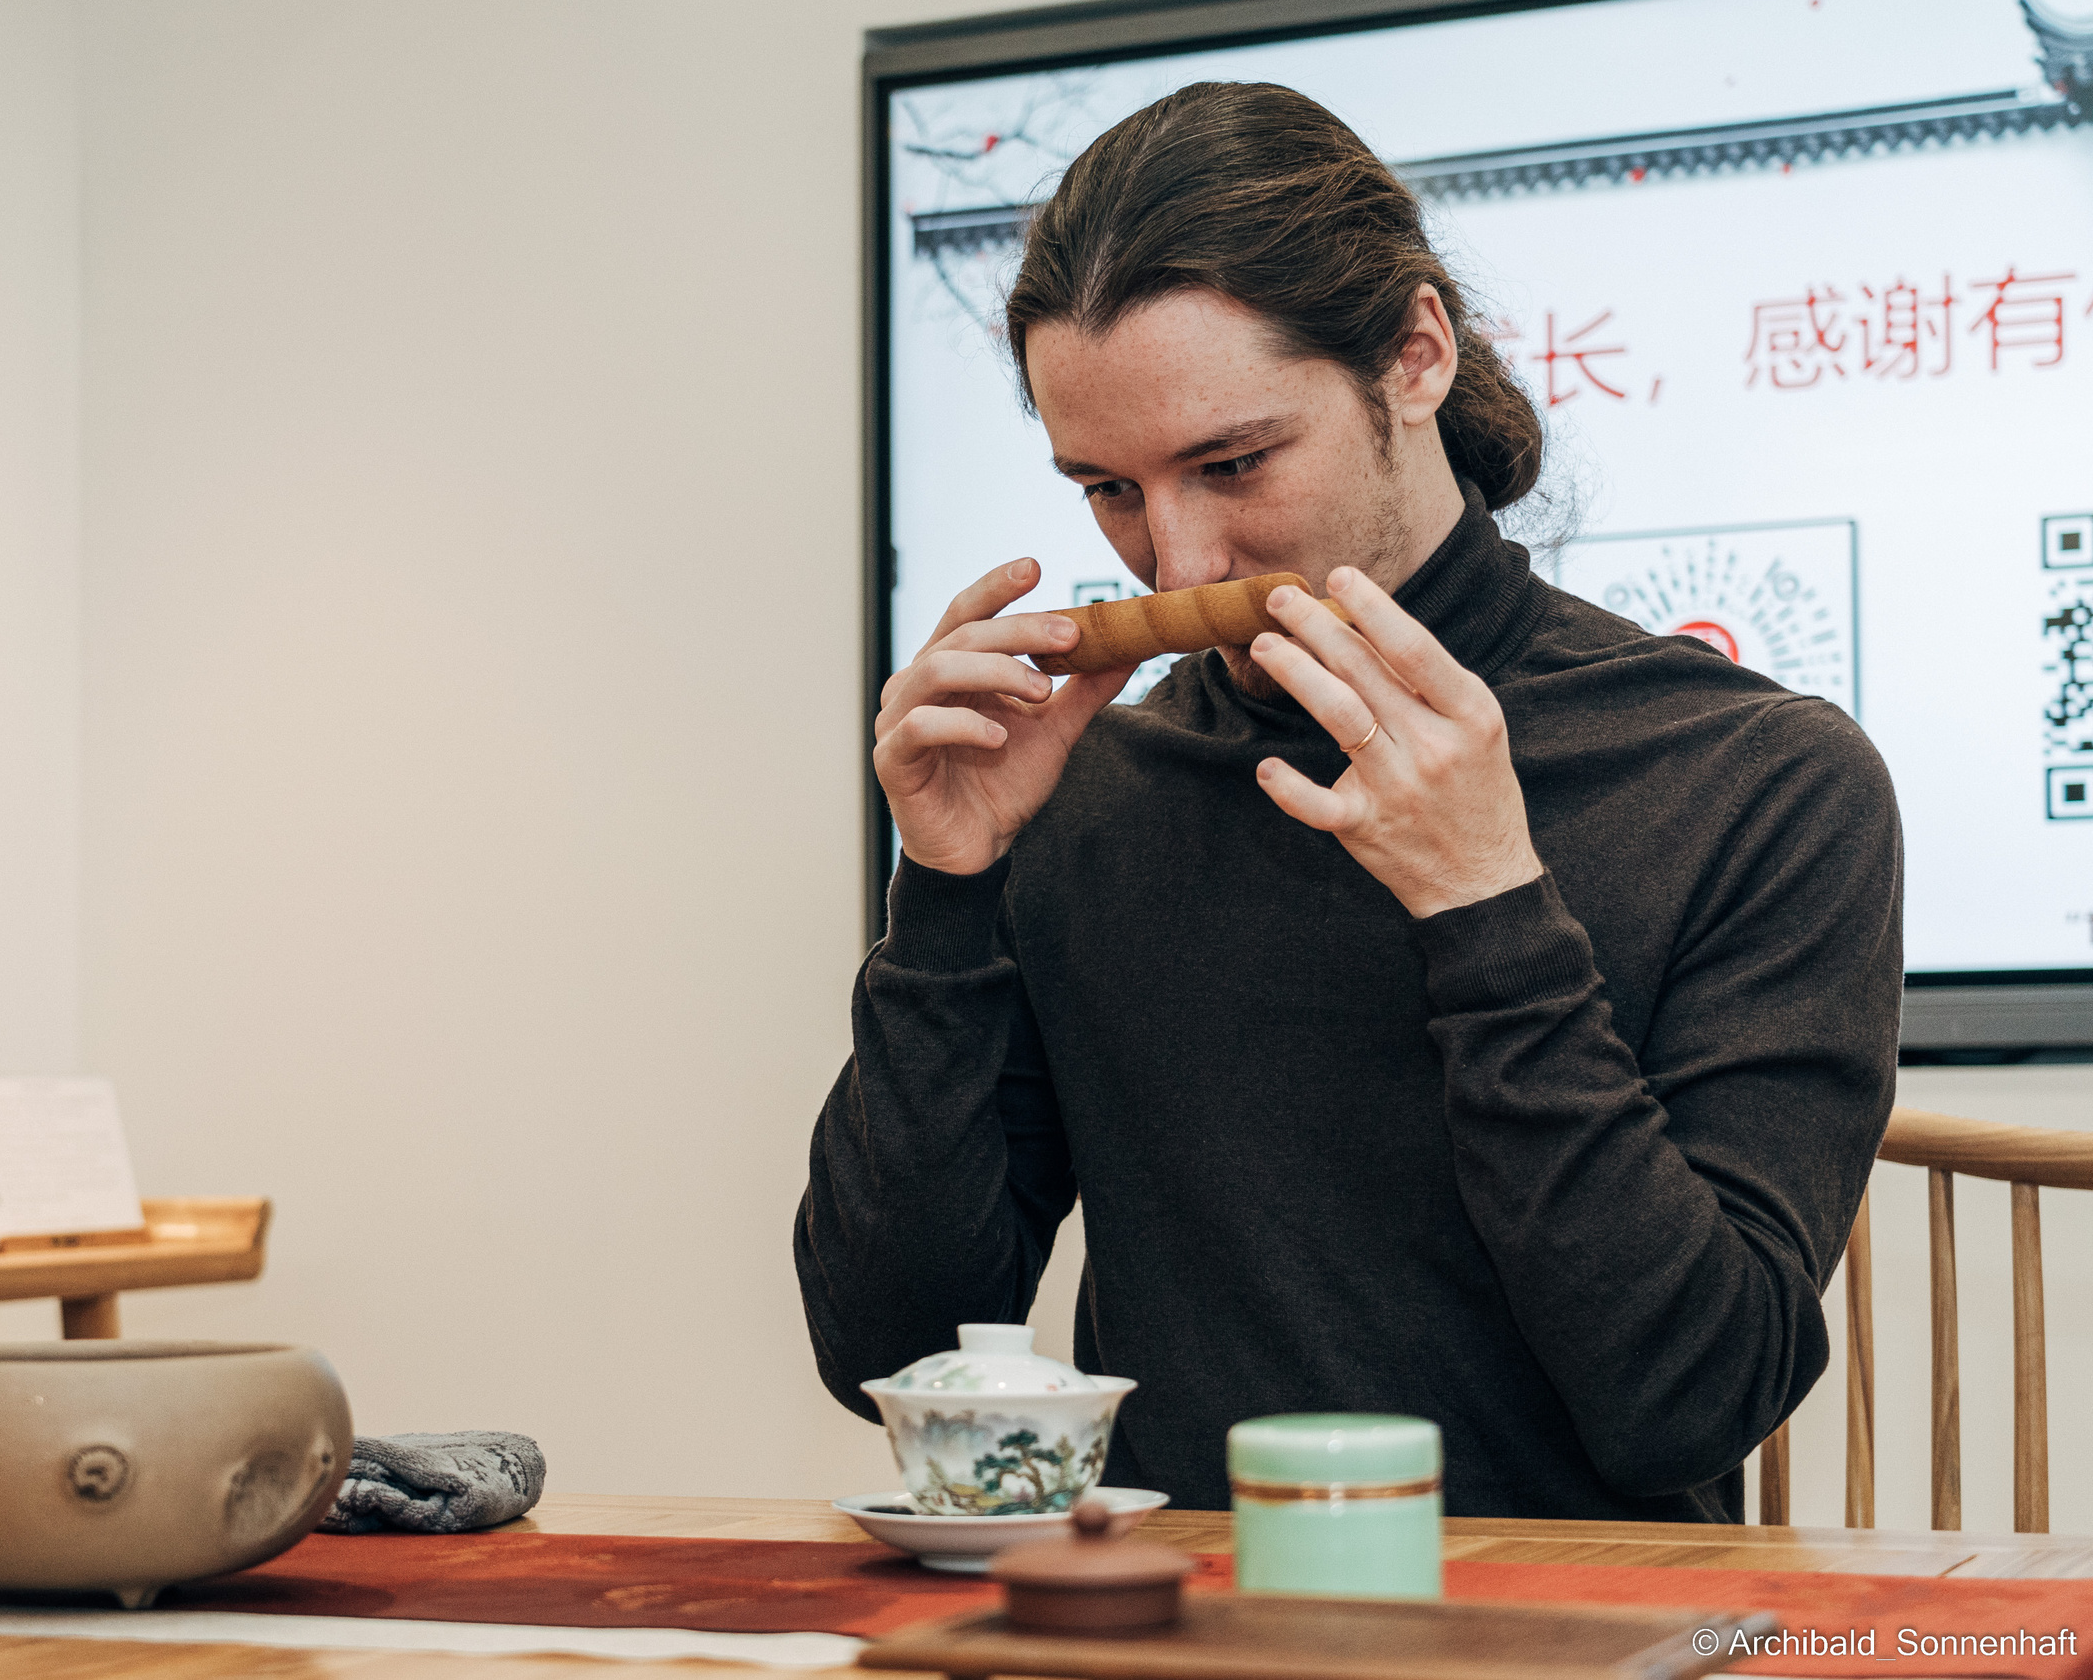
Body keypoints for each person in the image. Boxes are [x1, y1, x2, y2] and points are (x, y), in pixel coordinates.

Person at [794, 82, 1901, 1521]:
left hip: (1574, 1640)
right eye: (1108, 491)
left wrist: (1489, 903)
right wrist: (942, 893)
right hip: (1162, 1631)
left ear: (1416, 356)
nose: (1177, 558)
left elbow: (1685, 1398)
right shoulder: (1090, 792)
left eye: (1233, 462)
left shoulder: (1760, 779)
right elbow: (895, 1348)